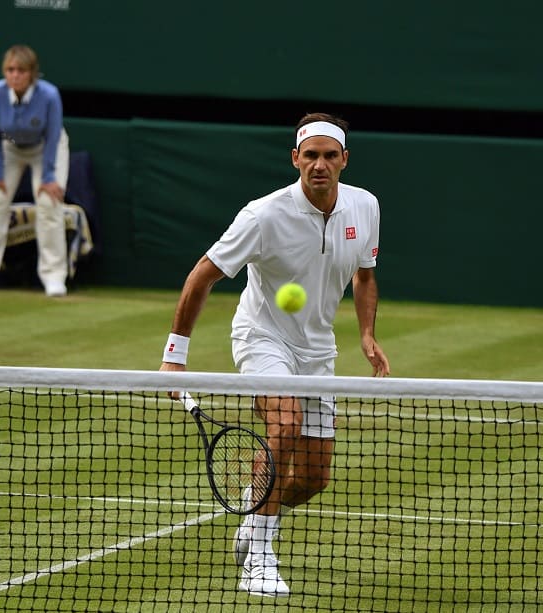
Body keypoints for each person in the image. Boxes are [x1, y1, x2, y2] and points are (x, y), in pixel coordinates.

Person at [159, 113, 391, 597]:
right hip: (262, 336)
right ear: (295, 159)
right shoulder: (263, 215)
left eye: (330, 156)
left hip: (317, 348)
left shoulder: (365, 207)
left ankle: (255, 501)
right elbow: (204, 272)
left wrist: (367, 333)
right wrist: (175, 354)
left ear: (345, 160)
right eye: (311, 156)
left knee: (312, 478)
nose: (320, 165)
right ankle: (259, 559)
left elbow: (365, 275)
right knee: (283, 426)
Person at [0, 44, 70, 297]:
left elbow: (53, 136)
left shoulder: (49, 95)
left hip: (45, 148)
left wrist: (48, 177)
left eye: (21, 70)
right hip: (7, 148)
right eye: (10, 70)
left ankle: (54, 276)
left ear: (32, 73)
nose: (15, 75)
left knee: (48, 203)